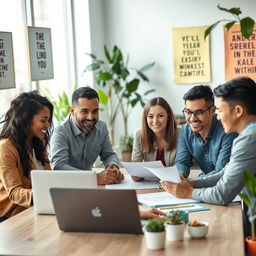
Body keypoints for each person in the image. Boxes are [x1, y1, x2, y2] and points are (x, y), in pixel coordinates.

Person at [161, 77, 256, 236]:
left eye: (219, 110)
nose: (218, 116)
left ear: (238, 111)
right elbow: (226, 172)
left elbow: (222, 194)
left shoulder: (249, 138)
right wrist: (192, 183)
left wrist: (188, 192)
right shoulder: (248, 134)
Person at [49, 87, 124, 185]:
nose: (90, 117)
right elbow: (59, 166)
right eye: (84, 111)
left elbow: (109, 155)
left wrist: (113, 170)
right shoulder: (60, 131)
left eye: (95, 111)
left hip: (90, 187)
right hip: (66, 185)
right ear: (72, 111)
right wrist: (94, 178)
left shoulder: (101, 127)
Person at [0, 91, 53, 221]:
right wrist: (43, 194)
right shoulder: (5, 147)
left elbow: (48, 177)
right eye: (43, 120)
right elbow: (15, 192)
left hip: (37, 208)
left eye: (49, 120)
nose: (48, 125)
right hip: (11, 216)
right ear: (27, 120)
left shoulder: (39, 142)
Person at [175, 85, 237, 178]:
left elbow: (221, 172)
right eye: (188, 112)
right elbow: (181, 161)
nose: (192, 118)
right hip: (204, 183)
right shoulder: (185, 130)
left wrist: (192, 183)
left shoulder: (227, 130)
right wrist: (180, 177)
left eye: (198, 112)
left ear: (212, 110)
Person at [131, 97, 178, 181]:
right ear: (146, 118)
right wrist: (136, 174)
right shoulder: (139, 135)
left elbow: (182, 165)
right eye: (150, 116)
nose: (155, 121)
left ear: (168, 117)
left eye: (160, 116)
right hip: (151, 183)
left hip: (173, 181)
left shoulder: (180, 134)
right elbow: (135, 164)